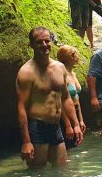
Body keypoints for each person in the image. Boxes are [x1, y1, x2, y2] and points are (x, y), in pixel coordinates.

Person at [15, 27, 82, 168]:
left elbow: (65, 98)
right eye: (40, 42)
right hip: (37, 127)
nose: (45, 45)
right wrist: (26, 141)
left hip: (56, 126)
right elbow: (21, 107)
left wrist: (75, 124)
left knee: (63, 170)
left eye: (47, 41)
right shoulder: (26, 72)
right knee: (38, 176)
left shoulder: (60, 68)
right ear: (31, 45)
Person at [56, 45, 86, 148]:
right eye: (75, 54)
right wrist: (68, 125)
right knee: (69, 146)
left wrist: (81, 120)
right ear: (70, 57)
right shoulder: (62, 75)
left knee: (77, 145)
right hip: (66, 116)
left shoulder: (73, 73)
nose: (78, 56)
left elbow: (77, 98)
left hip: (75, 113)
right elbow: (60, 101)